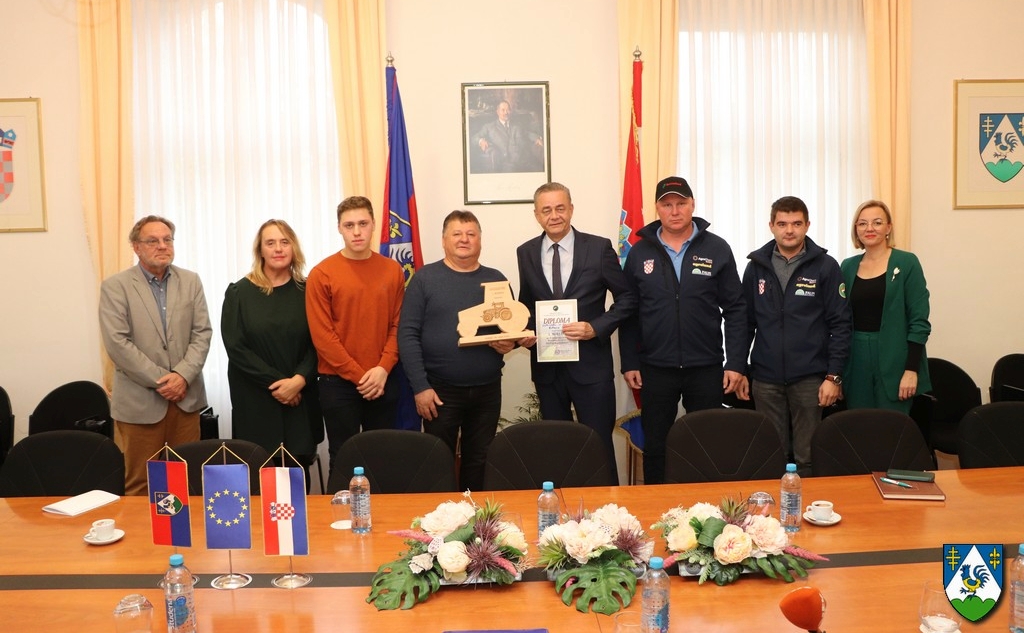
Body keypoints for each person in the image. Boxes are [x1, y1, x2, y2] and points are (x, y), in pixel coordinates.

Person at [619, 176, 747, 485]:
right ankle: (657, 504)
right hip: (655, 367)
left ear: (692, 205)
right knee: (656, 446)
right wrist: (629, 361)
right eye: (667, 205)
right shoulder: (640, 252)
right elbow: (629, 312)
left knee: (707, 443)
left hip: (705, 366)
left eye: (681, 203)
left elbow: (736, 309)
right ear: (657, 208)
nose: (674, 211)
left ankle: (706, 506)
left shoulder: (717, 248)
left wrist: (735, 363)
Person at [516, 182, 635, 480]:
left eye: (560, 208)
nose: (554, 215)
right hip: (548, 371)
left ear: (571, 209)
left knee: (598, 447)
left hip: (591, 369)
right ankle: (559, 508)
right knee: (556, 449)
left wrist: (596, 327)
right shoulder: (526, 252)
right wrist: (523, 333)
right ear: (536, 215)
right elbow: (526, 305)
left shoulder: (598, 248)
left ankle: (608, 508)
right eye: (546, 210)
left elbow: (628, 299)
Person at [398, 210, 516, 491]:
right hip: (439, 392)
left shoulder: (497, 280)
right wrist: (420, 387)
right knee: (438, 462)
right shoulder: (425, 279)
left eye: (471, 234)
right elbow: (407, 335)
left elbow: (510, 329)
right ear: (444, 240)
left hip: (487, 390)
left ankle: (475, 517)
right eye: (457, 234)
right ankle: (443, 517)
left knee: (480, 460)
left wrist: (509, 343)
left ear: (480, 240)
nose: (464, 239)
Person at [99, 216, 212, 495]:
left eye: (167, 239)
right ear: (136, 247)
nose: (162, 246)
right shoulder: (116, 286)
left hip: (185, 400)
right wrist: (164, 380)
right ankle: (142, 529)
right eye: (153, 241)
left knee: (186, 482)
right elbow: (117, 343)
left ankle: (183, 528)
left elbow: (202, 333)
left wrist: (182, 376)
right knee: (142, 484)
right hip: (140, 403)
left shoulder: (191, 281)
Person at [741, 196, 852, 473]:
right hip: (765, 379)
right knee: (770, 455)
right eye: (782, 224)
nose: (789, 230)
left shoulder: (825, 266)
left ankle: (808, 501)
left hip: (810, 378)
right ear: (771, 226)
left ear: (807, 225)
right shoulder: (756, 267)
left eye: (796, 223)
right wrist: (740, 369)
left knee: (808, 456)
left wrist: (833, 376)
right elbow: (744, 323)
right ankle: (773, 503)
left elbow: (841, 324)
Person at [306, 196, 405, 480]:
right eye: (349, 225)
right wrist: (361, 377)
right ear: (339, 228)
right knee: (343, 456)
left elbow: (399, 325)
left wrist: (383, 368)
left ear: (373, 224)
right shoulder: (321, 274)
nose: (357, 231)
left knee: (382, 457)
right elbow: (323, 336)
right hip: (338, 383)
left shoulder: (392, 270)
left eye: (363, 223)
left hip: (383, 379)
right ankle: (339, 510)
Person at [221, 219, 323, 470]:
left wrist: (298, 381)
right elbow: (236, 348)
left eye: (284, 242)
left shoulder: (309, 290)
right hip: (256, 401)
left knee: (296, 477)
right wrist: (280, 384)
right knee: (259, 478)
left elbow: (320, 342)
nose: (278, 248)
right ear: (260, 250)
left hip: (300, 399)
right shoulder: (238, 293)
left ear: (293, 248)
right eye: (270, 243)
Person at [840, 200, 931, 413]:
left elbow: (919, 321)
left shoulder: (907, 262)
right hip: (856, 359)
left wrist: (911, 370)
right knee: (858, 424)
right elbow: (840, 319)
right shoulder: (847, 266)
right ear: (856, 229)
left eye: (877, 222)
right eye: (862, 223)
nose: (869, 228)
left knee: (892, 426)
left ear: (888, 227)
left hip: (896, 357)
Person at [471, 100, 544, 173]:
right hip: (507, 164)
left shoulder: (517, 125)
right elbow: (474, 138)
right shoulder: (489, 127)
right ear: (497, 112)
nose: (506, 112)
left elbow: (527, 133)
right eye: (503, 110)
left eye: (508, 110)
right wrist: (481, 141)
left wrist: (537, 138)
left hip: (524, 161)